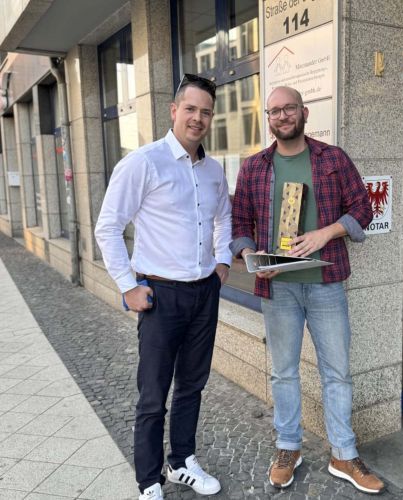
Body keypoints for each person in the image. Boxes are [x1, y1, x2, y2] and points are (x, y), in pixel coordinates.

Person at [230, 86, 385, 495]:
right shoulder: (254, 168)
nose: (282, 116)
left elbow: (363, 209)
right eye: (274, 111)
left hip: (326, 285)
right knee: (283, 373)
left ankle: (343, 454)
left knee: (337, 373)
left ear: (304, 112)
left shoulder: (333, 159)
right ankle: (288, 447)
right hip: (278, 289)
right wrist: (250, 256)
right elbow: (239, 224)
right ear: (268, 118)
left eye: (289, 108)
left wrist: (326, 233)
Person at [95, 74, 232, 500]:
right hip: (160, 296)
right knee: (153, 394)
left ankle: (182, 462)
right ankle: (149, 481)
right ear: (173, 110)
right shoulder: (144, 163)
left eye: (205, 112)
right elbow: (107, 226)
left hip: (203, 293)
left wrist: (223, 260)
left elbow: (224, 217)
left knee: (192, 384)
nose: (197, 118)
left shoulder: (213, 170)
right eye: (190, 109)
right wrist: (127, 286)